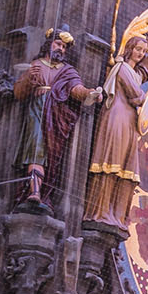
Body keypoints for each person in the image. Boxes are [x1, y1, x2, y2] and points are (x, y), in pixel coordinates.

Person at [85, 14, 148, 226]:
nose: (141, 54)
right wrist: (146, 98)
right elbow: (138, 96)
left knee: (126, 170)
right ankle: (100, 212)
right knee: (110, 164)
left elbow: (145, 72)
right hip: (117, 119)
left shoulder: (134, 72)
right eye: (138, 49)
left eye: (144, 52)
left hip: (129, 123)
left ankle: (116, 214)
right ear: (129, 49)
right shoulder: (122, 69)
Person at [14, 28, 96, 211]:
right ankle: (34, 191)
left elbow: (77, 90)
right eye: (58, 44)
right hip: (36, 113)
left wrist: (90, 93)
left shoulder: (68, 71)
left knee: (52, 157)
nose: (61, 49)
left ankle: (43, 192)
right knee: (35, 149)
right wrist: (28, 78)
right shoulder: (36, 65)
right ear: (49, 44)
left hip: (56, 119)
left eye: (65, 47)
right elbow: (19, 93)